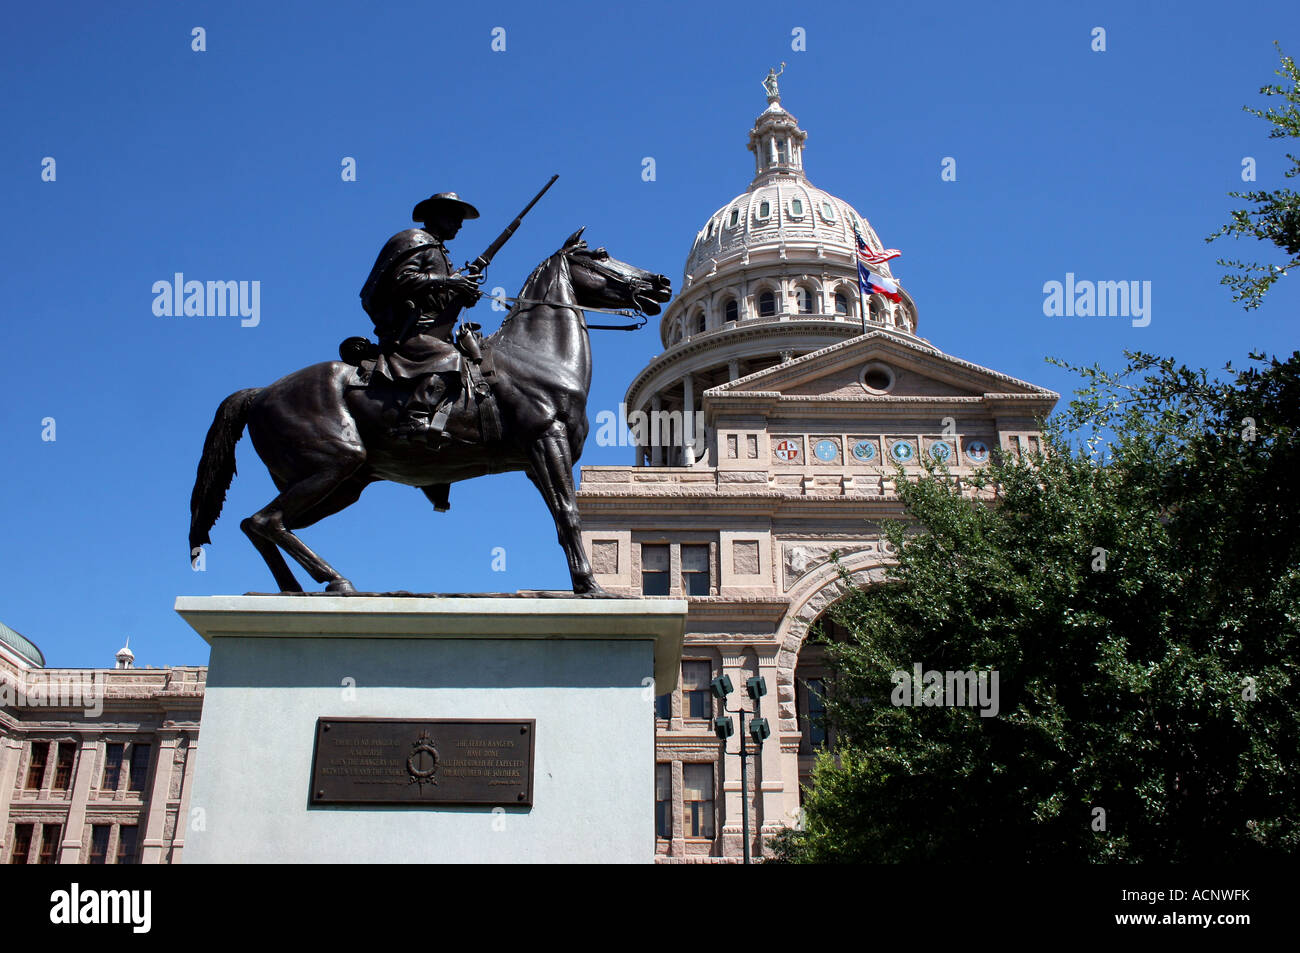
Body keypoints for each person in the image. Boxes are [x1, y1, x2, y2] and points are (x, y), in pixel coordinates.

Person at [358, 192, 484, 442]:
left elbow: (437, 298)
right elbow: (401, 280)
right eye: (454, 217)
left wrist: (463, 293)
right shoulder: (415, 240)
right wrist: (451, 281)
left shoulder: (440, 252)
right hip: (410, 331)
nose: (459, 224)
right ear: (435, 216)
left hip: (435, 332)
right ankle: (415, 418)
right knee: (448, 358)